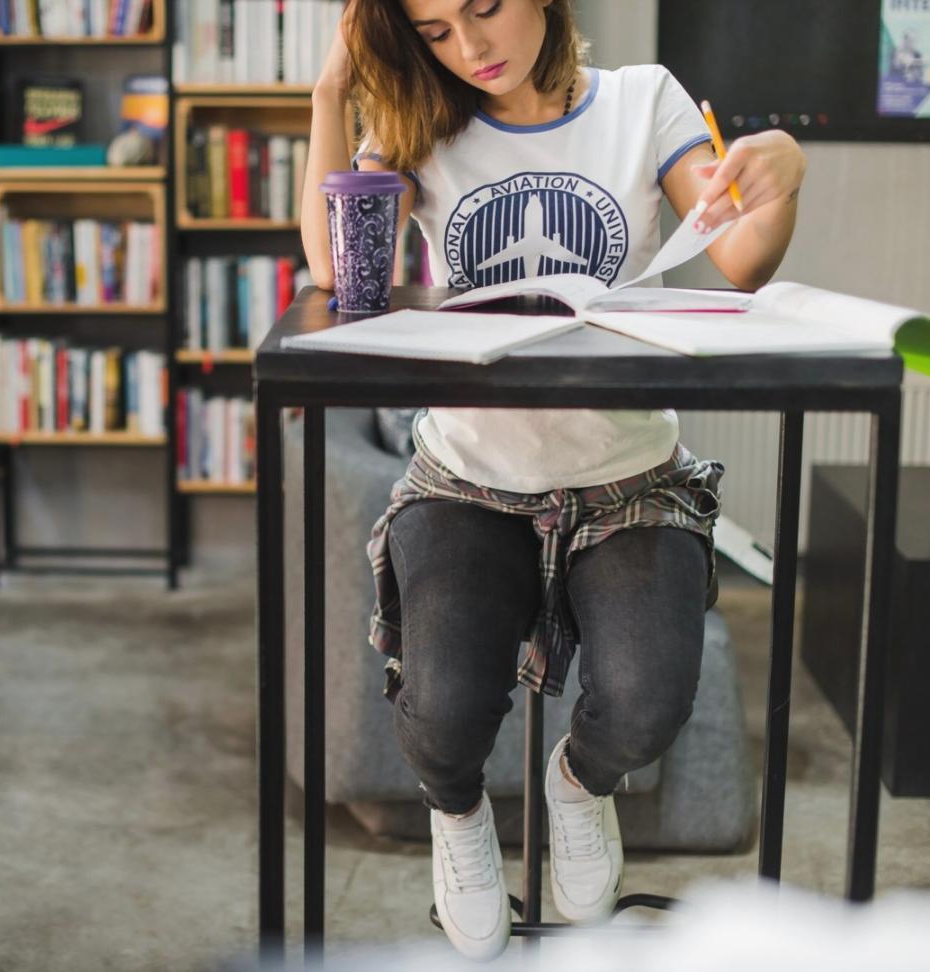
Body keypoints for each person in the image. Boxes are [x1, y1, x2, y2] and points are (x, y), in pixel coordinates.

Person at [299, 0, 808, 961]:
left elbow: (738, 255)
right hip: (469, 478)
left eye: (485, 10)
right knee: (443, 716)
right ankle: (457, 818)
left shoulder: (640, 102)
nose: (472, 47)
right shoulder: (422, 125)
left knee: (650, 700)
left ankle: (576, 787)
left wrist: (783, 173)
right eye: (438, 31)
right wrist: (335, 87)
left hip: (628, 476)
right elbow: (335, 265)